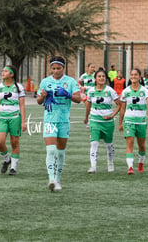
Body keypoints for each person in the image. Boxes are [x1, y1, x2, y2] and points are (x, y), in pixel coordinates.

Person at [37, 56, 81, 192]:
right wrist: (43, 96)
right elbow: (39, 100)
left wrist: (68, 94)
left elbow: (78, 99)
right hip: (50, 119)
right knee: (51, 150)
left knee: (61, 153)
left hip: (63, 121)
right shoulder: (45, 81)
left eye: (58, 68)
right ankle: (51, 179)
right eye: (53, 68)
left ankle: (58, 179)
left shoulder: (70, 81)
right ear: (50, 68)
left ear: (63, 68)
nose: (56, 71)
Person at [0, 65, 26, 175]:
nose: (3, 73)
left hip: (15, 117)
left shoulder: (19, 87)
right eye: (3, 71)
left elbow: (22, 105)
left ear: (12, 74)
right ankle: (6, 159)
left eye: (6, 71)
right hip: (2, 117)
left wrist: (23, 122)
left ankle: (13, 168)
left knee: (14, 142)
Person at [83, 69, 121, 173]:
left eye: (103, 76)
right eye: (99, 76)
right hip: (95, 120)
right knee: (94, 143)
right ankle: (93, 166)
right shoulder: (91, 91)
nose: (101, 78)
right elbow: (88, 105)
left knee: (109, 144)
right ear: (95, 79)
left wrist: (112, 115)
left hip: (108, 122)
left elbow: (119, 105)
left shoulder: (110, 90)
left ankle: (110, 163)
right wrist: (86, 117)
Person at [119, 68, 148, 175]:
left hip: (141, 121)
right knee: (130, 142)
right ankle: (130, 167)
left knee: (141, 145)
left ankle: (141, 163)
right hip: (129, 120)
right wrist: (120, 123)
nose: (133, 76)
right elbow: (122, 108)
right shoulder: (126, 91)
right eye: (132, 75)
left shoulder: (145, 90)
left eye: (136, 75)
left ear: (139, 77)